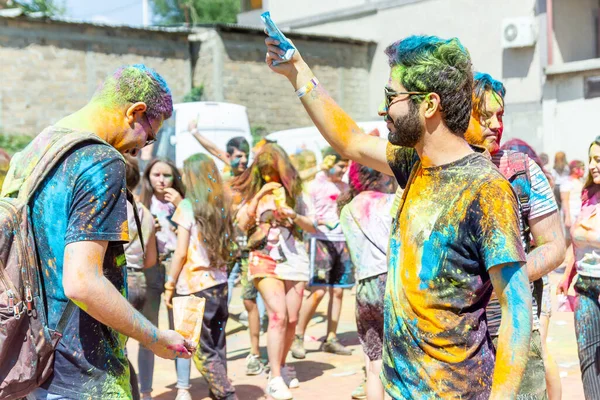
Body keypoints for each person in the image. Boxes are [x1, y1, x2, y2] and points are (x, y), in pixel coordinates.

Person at [264, 34, 532, 399]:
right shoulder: (413, 163)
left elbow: (516, 308)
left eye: (392, 97)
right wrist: (298, 72)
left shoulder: (485, 189)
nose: (382, 108)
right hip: (399, 389)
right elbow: (350, 141)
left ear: (429, 105)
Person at [19, 64, 192, 400]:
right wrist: (154, 338)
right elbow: (82, 281)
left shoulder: (33, 152)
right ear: (135, 112)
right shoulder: (100, 160)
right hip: (83, 375)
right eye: (149, 135)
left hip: (31, 362)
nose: (141, 149)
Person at [464, 72, 565, 399]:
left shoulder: (521, 169)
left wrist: (502, 279)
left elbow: (555, 246)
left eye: (501, 115)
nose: (496, 124)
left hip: (515, 335)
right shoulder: (433, 173)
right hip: (455, 342)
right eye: (485, 115)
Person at [233, 143, 317, 400]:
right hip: (263, 258)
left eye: (274, 171)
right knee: (278, 315)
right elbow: (241, 224)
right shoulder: (253, 192)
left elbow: (312, 226)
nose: (270, 177)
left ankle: (279, 363)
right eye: (265, 172)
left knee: (291, 319)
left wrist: (294, 216)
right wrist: (259, 197)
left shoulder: (298, 193)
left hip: (295, 260)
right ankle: (275, 377)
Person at [163, 153, 238, 400]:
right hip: (220, 285)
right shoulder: (221, 205)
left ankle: (226, 394)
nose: (182, 177)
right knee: (217, 344)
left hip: (194, 288)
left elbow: (181, 252)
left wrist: (169, 284)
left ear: (193, 176)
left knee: (201, 350)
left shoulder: (187, 207)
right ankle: (220, 393)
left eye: (185, 172)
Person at [501, 139, 563, 400]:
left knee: (540, 351)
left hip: (537, 281)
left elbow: (551, 243)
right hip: (527, 279)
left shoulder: (531, 181)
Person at [338, 162, 396, 400]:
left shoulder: (346, 210)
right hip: (390, 282)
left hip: (363, 288)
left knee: (374, 362)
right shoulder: (390, 202)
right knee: (401, 360)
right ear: (380, 176)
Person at [291, 147, 354, 358]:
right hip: (320, 242)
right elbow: (299, 188)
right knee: (318, 291)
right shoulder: (314, 185)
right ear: (329, 163)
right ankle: (298, 336)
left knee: (338, 291)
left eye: (346, 166)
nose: (344, 169)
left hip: (342, 242)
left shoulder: (346, 185)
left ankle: (331, 338)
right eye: (341, 165)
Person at [138, 157, 186, 400]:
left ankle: (184, 387)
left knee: (180, 328)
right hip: (151, 268)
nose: (162, 180)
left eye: (167, 175)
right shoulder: (141, 204)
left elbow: (197, 233)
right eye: (156, 175)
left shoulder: (182, 202)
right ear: (147, 178)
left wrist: (182, 207)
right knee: (149, 331)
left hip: (176, 267)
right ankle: (145, 391)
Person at [557, 136, 600, 399]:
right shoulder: (588, 195)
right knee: (587, 357)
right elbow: (578, 242)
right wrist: (566, 275)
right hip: (585, 287)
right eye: (592, 159)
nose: (594, 165)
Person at [123, 154, 160, 400]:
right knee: (146, 339)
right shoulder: (145, 212)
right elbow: (151, 260)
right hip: (140, 282)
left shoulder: (112, 206)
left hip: (118, 280)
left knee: (116, 345)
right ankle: (145, 394)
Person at [561, 160, 585, 231]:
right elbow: (565, 200)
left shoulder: (580, 181)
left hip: (579, 214)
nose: (584, 171)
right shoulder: (567, 182)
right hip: (571, 214)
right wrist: (567, 217)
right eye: (582, 169)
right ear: (575, 169)